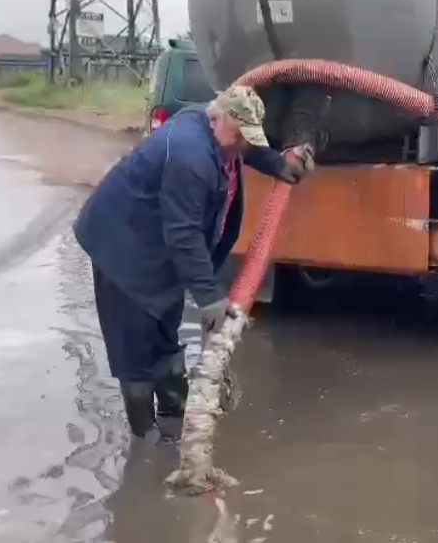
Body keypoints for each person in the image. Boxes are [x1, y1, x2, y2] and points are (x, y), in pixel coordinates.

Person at [73, 84, 314, 441]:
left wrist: (280, 164)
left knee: (165, 331)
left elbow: (246, 146)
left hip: (158, 247)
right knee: (135, 346)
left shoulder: (222, 126)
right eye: (238, 136)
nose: (241, 144)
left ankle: (175, 410)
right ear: (216, 120)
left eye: (247, 137)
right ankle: (146, 439)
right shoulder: (190, 156)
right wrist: (210, 297)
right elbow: (183, 234)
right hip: (121, 248)